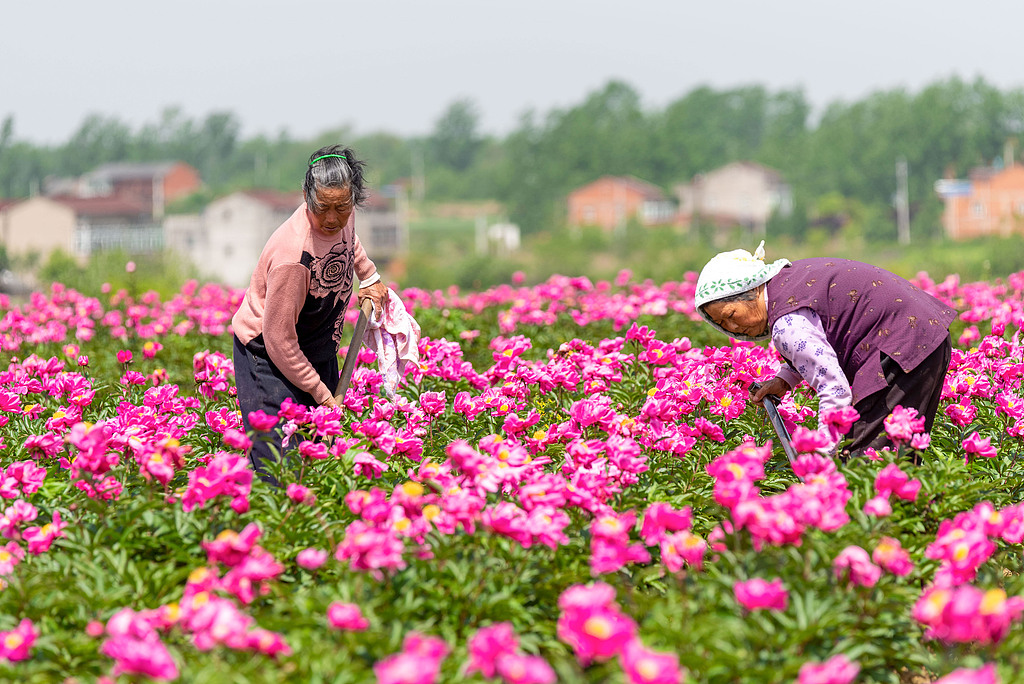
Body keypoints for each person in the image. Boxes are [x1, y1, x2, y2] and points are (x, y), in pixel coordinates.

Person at [694, 241, 957, 456]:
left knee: (866, 461)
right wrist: (786, 379)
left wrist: (821, 456)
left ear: (750, 290)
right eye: (721, 324)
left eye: (731, 314)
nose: (732, 328)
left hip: (902, 346)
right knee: (897, 453)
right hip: (924, 334)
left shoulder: (786, 324)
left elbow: (834, 388)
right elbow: (816, 340)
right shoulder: (787, 283)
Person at [232, 145, 389, 479]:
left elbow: (349, 241)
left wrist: (369, 276)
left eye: (341, 207)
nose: (332, 218)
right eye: (322, 207)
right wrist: (321, 394)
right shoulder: (292, 257)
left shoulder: (343, 216)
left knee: (321, 454)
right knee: (280, 465)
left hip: (315, 344)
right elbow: (279, 339)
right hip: (268, 356)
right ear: (306, 196)